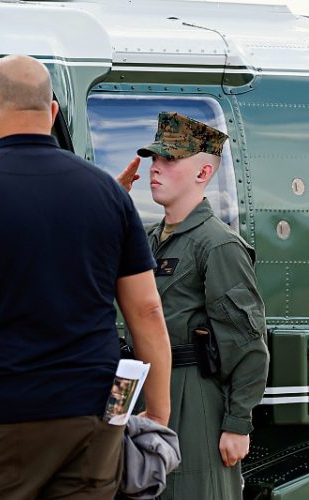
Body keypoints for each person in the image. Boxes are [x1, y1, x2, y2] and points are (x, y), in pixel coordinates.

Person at [0, 54, 172, 499]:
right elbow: (148, 311)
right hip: (93, 420)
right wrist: (157, 413)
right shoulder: (107, 194)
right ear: (52, 112)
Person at [119, 112, 269, 500]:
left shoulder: (216, 244)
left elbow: (247, 342)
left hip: (192, 392)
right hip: (139, 385)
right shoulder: (148, 239)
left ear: (203, 173)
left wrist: (238, 424)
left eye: (169, 160)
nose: (155, 169)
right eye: (155, 159)